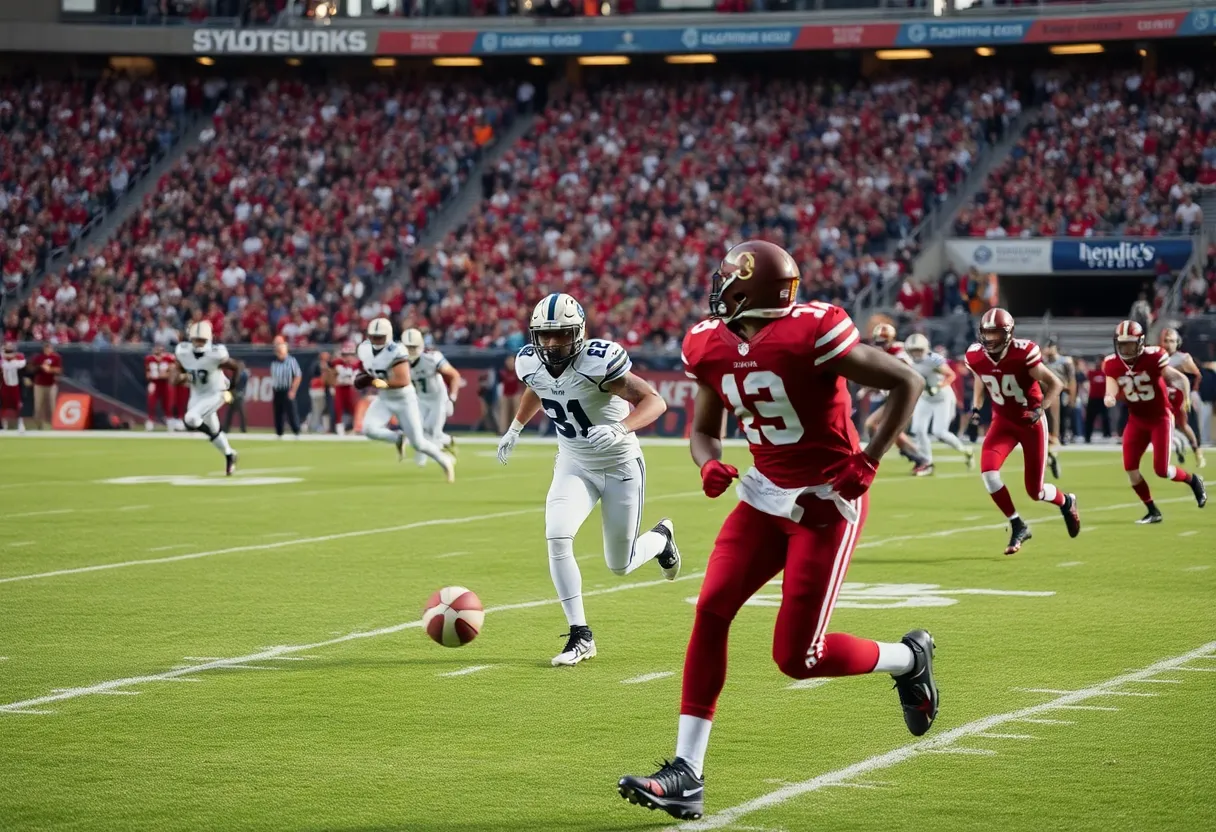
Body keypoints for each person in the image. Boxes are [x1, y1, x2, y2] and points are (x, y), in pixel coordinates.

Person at [618, 241, 938, 820]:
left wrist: (868, 459)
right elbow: (705, 430)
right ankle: (687, 771)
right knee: (711, 608)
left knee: (798, 658)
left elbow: (906, 383)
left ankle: (907, 660)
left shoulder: (814, 331)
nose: (716, 290)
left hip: (825, 504)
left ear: (749, 290)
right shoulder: (709, 343)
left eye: (726, 282)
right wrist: (707, 462)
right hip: (764, 497)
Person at [497, 293, 680, 667]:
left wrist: (621, 428)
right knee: (557, 535)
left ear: (578, 332)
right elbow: (537, 387)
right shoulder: (529, 362)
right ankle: (580, 635)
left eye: (560, 335)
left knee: (620, 564)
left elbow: (655, 400)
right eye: (544, 336)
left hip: (619, 466)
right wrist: (516, 427)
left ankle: (661, 539)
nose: (550, 344)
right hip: (574, 463)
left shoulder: (597, 363)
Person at [964, 308, 1081, 555]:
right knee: (989, 474)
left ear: (1008, 334)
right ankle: (1018, 524)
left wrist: (1041, 409)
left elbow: (1055, 383)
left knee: (1035, 491)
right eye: (987, 334)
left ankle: (1066, 501)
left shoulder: (1022, 353)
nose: (991, 339)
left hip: (1030, 423)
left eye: (996, 334)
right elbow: (980, 376)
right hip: (1002, 422)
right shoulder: (975, 355)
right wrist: (976, 407)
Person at [1102, 321, 1207, 523]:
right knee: (1130, 468)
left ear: (1140, 343)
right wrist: (1110, 396)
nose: (1126, 348)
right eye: (1122, 344)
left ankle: (1193, 480)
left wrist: (1185, 398)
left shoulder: (1154, 357)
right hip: (1137, 419)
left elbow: (1180, 379)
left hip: (1160, 418)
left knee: (1162, 470)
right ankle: (1152, 510)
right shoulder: (1112, 363)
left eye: (1130, 344)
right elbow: (1111, 385)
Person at [354, 318, 455, 481]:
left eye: (380, 336)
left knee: (419, 443)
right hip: (385, 398)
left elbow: (402, 381)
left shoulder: (397, 351)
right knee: (369, 429)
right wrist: (360, 377)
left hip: (404, 399)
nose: (376, 340)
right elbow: (364, 369)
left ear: (388, 336)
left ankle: (445, 461)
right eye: (373, 336)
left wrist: (374, 382)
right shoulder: (364, 349)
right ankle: (398, 438)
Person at [859, 323, 931, 474]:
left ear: (891, 339)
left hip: (904, 395)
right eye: (878, 342)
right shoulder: (882, 351)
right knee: (885, 429)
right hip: (893, 395)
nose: (881, 345)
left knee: (874, 425)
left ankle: (918, 458)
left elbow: (904, 374)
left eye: (883, 341)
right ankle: (920, 459)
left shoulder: (899, 352)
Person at [172, 321, 240, 475]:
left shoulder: (216, 353)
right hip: (197, 393)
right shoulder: (183, 352)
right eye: (196, 339)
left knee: (191, 418)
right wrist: (180, 377)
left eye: (202, 339)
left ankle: (212, 435)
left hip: (216, 392)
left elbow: (236, 366)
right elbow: (177, 374)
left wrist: (232, 389)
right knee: (214, 430)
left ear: (209, 339)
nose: (199, 343)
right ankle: (230, 455)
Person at [905, 333, 973, 474]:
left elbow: (951, 375)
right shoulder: (908, 361)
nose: (916, 353)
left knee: (939, 432)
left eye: (918, 350)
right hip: (925, 398)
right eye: (913, 350)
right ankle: (927, 462)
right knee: (918, 429)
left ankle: (966, 450)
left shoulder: (933, 359)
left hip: (942, 397)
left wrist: (939, 386)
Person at [402, 328, 461, 465]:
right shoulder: (398, 360)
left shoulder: (432, 357)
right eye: (408, 347)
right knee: (416, 431)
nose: (411, 351)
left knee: (431, 432)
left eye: (413, 347)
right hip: (420, 398)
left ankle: (440, 456)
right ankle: (448, 442)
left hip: (437, 399)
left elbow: (454, 375)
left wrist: (452, 399)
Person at [1161, 328, 1206, 468]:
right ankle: (1173, 449)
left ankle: (1197, 451)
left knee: (1184, 426)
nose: (1169, 344)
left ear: (1177, 342)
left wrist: (1193, 392)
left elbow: (1197, 375)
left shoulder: (1183, 358)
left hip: (1179, 396)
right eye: (1166, 341)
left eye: (1172, 341)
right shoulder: (1158, 355)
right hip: (1162, 396)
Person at [269, 336, 302, 438]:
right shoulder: (274, 362)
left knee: (291, 411)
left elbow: (298, 375)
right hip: (277, 389)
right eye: (276, 345)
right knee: (278, 412)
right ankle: (279, 432)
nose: (277, 347)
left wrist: (293, 390)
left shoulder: (291, 361)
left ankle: (296, 431)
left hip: (287, 388)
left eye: (279, 345)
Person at [144, 343, 176, 431]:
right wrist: (152, 376)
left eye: (159, 348)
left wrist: (165, 375)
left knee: (168, 403)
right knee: (151, 403)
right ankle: (150, 421)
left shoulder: (169, 358)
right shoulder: (149, 359)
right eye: (156, 348)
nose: (158, 350)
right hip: (154, 383)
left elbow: (172, 372)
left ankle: (169, 421)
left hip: (165, 383)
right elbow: (147, 373)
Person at [330, 341, 359, 435]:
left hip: (351, 388)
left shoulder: (357, 364)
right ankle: (339, 428)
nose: (347, 357)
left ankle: (356, 427)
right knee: (338, 408)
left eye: (349, 354)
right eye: (344, 355)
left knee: (354, 408)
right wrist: (332, 386)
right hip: (340, 387)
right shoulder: (337, 363)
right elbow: (331, 374)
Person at [31, 342, 62, 430]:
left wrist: (50, 369)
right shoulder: (39, 357)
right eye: (46, 348)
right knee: (38, 405)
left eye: (50, 348)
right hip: (39, 384)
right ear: (44, 349)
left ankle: (53, 425)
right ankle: (38, 425)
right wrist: (40, 367)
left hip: (51, 384)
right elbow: (31, 368)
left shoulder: (56, 357)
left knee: (52, 405)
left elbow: (59, 370)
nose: (48, 350)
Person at [1084, 358, 1113, 443]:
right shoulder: (1091, 373)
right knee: (1090, 418)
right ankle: (1087, 436)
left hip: (1103, 398)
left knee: (1106, 417)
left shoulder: (1106, 374)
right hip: (1093, 398)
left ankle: (1107, 435)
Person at [1, 341, 25, 432]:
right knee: (3, 405)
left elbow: (21, 363)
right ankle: (4, 425)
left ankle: (20, 424)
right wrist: (6, 357)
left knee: (17, 405)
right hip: (4, 385)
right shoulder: (2, 358)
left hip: (15, 385)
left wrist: (11, 358)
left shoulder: (19, 357)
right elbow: (4, 364)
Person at [222, 365, 249, 434]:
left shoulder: (243, 375)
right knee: (231, 412)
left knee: (240, 412)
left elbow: (241, 384)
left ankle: (243, 428)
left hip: (238, 395)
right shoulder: (235, 374)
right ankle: (226, 428)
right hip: (233, 395)